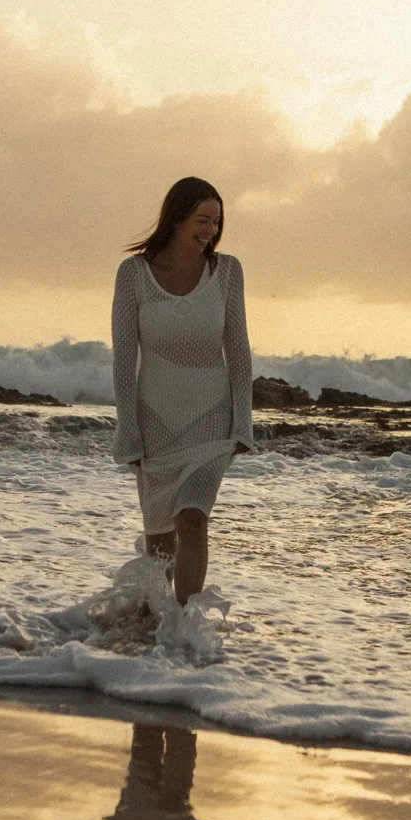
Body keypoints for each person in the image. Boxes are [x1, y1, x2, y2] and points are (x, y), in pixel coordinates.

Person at [111, 176, 252, 606]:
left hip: (211, 420)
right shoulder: (134, 274)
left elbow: (239, 351)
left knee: (193, 520)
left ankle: (186, 625)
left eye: (216, 221)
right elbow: (124, 359)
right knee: (160, 543)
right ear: (176, 218)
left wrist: (243, 422)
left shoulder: (227, 272)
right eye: (202, 219)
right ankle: (155, 623)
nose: (211, 230)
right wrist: (128, 429)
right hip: (155, 422)